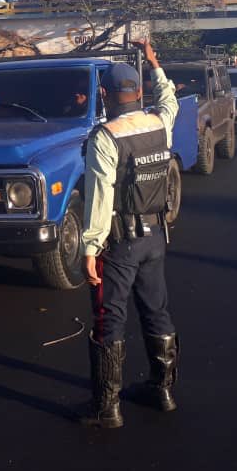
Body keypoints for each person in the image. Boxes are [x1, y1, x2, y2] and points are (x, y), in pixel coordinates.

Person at [78, 40, 180, 429]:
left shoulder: (106, 137)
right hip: (156, 237)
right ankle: (163, 390)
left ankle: (107, 408)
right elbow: (169, 102)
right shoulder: (158, 124)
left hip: (119, 244)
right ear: (138, 93)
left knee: (109, 318)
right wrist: (155, 64)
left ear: (104, 95)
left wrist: (90, 247)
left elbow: (100, 197)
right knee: (157, 311)